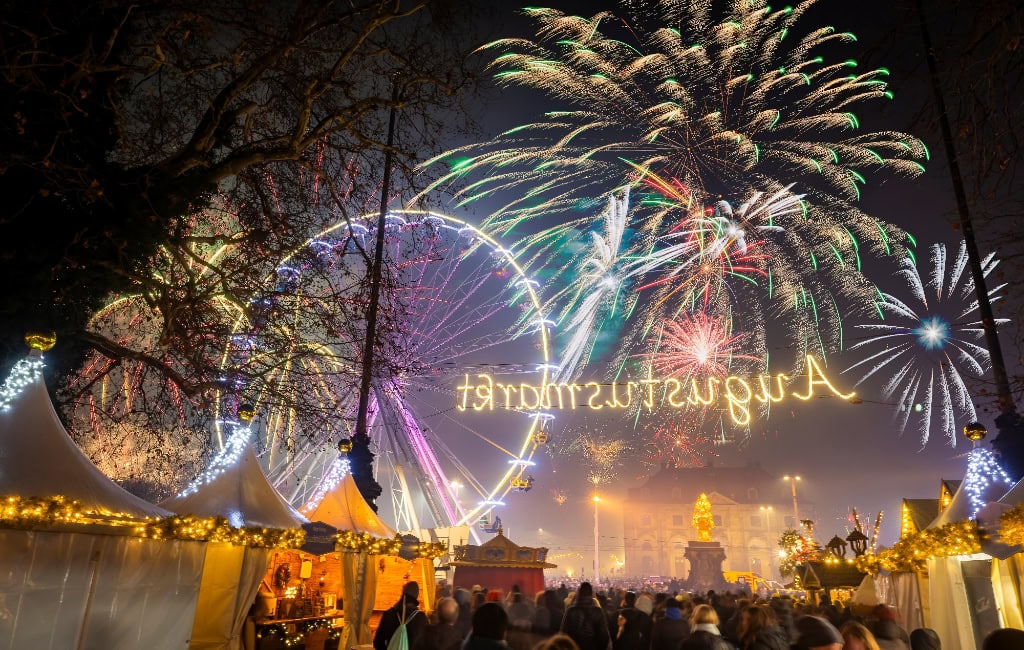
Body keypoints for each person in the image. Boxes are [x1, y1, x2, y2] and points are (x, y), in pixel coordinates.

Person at [374, 581, 427, 650]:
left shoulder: (389, 614)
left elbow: (377, 642)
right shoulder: (421, 618)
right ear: (416, 596)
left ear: (403, 593)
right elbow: (426, 644)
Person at [560, 582, 611, 650]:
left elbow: (563, 634)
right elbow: (604, 635)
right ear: (591, 594)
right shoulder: (597, 611)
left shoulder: (571, 611)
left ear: (579, 593)